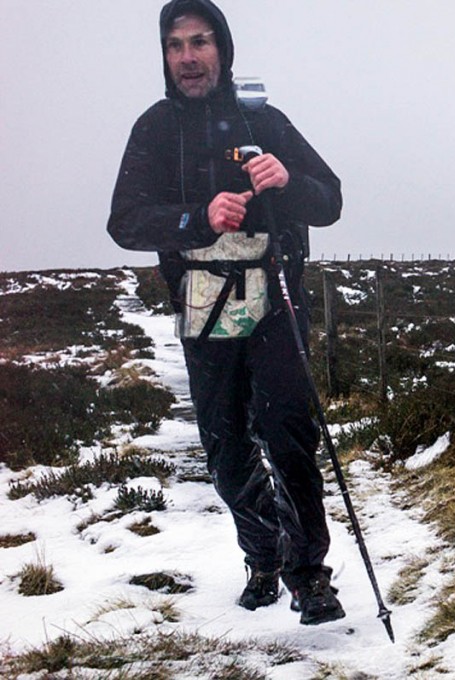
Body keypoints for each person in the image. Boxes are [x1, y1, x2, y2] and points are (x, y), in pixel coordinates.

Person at [107, 0, 344, 625]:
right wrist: (193, 220)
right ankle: (263, 553)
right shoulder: (154, 129)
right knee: (227, 446)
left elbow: (330, 201)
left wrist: (287, 179)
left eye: (201, 42)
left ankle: (308, 575)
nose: (188, 57)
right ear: (165, 56)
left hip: (274, 297)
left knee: (289, 430)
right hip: (201, 303)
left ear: (223, 49)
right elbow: (125, 221)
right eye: (176, 45)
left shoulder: (265, 121)